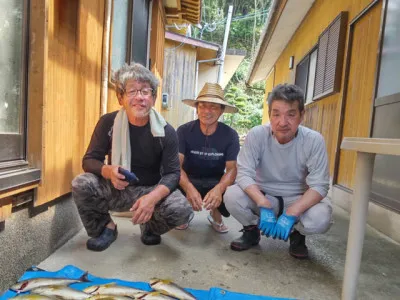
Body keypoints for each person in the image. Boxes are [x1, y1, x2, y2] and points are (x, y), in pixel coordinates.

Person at [71, 63, 193, 251]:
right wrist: (108, 170)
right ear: (121, 98)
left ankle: (151, 227)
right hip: (116, 188)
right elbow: (89, 160)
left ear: (153, 97)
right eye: (132, 91)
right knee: (82, 183)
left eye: (145, 91)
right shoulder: (108, 123)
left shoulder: (167, 131)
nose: (139, 97)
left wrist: (152, 198)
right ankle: (106, 228)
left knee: (182, 210)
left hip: (151, 188)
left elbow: (173, 173)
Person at [224, 83, 332, 259]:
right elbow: (244, 173)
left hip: (298, 198)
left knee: (321, 217)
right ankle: (252, 230)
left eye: (291, 114)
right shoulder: (257, 134)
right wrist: (262, 203)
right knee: (231, 195)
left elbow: (320, 185)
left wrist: (292, 212)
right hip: (265, 195)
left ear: (302, 115)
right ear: (269, 115)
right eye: (276, 114)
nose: (283, 122)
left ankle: (297, 234)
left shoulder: (314, 140)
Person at [176, 83, 240, 233]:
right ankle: (184, 212)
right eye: (203, 106)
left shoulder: (230, 135)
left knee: (233, 187)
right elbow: (176, 166)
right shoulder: (184, 131)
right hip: (188, 178)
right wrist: (189, 188)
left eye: (213, 107)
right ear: (197, 108)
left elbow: (231, 169)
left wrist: (219, 189)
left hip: (215, 180)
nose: (207, 111)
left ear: (221, 111)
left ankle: (215, 214)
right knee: (170, 181)